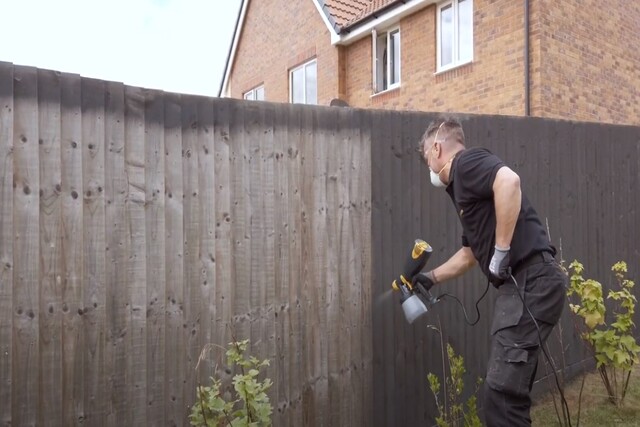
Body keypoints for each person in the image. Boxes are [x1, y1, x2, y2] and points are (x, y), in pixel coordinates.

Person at [413, 118, 566, 426]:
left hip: (530, 281)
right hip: (528, 284)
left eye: (427, 160)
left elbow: (509, 181)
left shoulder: (466, 163)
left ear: (437, 148)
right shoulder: (462, 188)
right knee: (508, 394)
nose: (429, 169)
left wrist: (501, 250)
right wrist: (431, 278)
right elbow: (470, 254)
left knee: (501, 396)